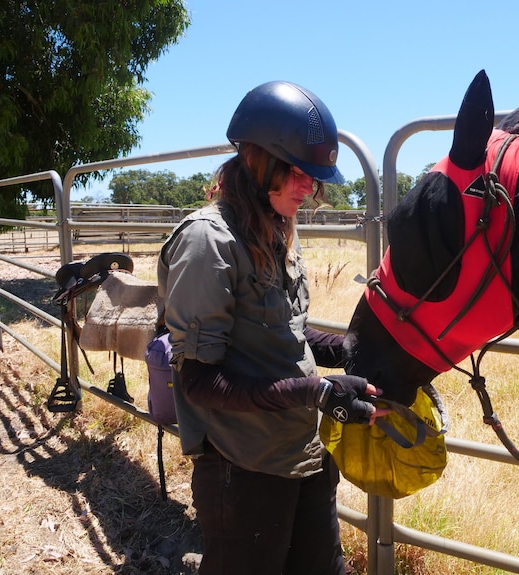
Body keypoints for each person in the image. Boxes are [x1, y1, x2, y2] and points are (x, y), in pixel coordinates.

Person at [157, 80, 385, 575]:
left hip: (301, 449)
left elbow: (285, 335)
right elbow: (199, 382)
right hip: (243, 464)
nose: (310, 188)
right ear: (260, 162)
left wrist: (352, 349)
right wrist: (317, 392)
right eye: (299, 173)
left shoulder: (279, 231)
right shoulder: (208, 243)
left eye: (315, 177)